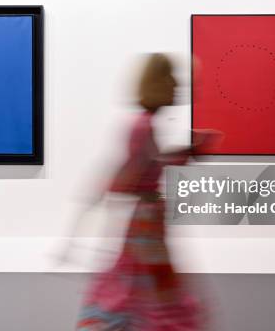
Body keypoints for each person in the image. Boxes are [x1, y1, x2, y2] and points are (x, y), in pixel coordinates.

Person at [74, 53, 218, 330]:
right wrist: (186, 153)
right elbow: (132, 173)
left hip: (148, 219)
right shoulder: (142, 126)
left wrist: (185, 152)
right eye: (172, 81)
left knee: (144, 285)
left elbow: (146, 165)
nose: (177, 87)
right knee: (146, 288)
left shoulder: (145, 124)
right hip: (145, 221)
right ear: (158, 83)